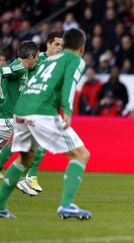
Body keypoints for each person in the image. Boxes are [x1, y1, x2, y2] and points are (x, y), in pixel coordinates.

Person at [0, 28, 92, 219]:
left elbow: (30, 85)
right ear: (82, 48)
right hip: (42, 112)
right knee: (81, 154)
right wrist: (67, 110)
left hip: (22, 109)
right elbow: (70, 83)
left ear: (64, 45)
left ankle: (0, 205)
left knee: (24, 159)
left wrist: (18, 118)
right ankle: (66, 205)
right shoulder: (75, 60)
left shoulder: (46, 60)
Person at [14, 32, 64, 195]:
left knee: (40, 143)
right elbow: (18, 70)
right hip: (26, 107)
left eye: (62, 45)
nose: (59, 48)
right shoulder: (36, 59)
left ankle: (31, 177)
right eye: (56, 44)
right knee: (14, 143)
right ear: (48, 44)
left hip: (43, 109)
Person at [0, 41, 39, 182]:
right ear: (30, 55)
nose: (37, 60)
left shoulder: (24, 70)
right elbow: (0, 71)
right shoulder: (19, 67)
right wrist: (0, 94)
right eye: (36, 56)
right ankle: (26, 180)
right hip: (7, 119)